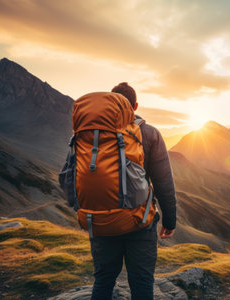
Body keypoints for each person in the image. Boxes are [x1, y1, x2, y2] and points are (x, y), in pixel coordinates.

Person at [90, 82, 176, 300]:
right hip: (140, 223)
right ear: (135, 106)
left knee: (103, 281)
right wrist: (170, 221)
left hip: (101, 222)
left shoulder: (92, 133)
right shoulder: (148, 133)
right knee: (142, 283)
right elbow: (163, 181)